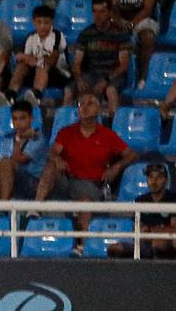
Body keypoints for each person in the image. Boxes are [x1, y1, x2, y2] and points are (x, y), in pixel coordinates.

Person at [37, 91, 134, 219]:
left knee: (85, 204)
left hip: (92, 185)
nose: (85, 107)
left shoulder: (107, 135)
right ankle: (36, 208)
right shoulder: (66, 132)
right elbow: (52, 152)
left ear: (99, 109)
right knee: (50, 166)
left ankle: (83, 238)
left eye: (90, 103)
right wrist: (57, 159)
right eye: (81, 104)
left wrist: (116, 167)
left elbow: (131, 155)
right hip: (69, 181)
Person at [103, 159, 176, 259]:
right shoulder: (140, 200)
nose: (154, 181)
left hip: (167, 244)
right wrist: (155, 230)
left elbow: (175, 229)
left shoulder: (174, 199)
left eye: (159, 177)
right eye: (150, 177)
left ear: (166, 180)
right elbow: (136, 230)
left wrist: (149, 230)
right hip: (144, 243)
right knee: (114, 248)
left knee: (158, 243)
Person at [70, 0, 133, 112]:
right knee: (69, 91)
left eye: (102, 12)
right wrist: (79, 79)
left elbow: (123, 65)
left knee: (111, 90)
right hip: (92, 74)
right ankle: (66, 124)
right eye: (94, 12)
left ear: (109, 13)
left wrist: (107, 79)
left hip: (113, 75)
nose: (97, 16)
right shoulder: (86, 34)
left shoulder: (120, 34)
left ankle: (113, 125)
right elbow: (77, 63)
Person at [8, 3, 70, 104]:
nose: (43, 26)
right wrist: (27, 58)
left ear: (52, 23)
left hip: (58, 75)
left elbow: (52, 60)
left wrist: (34, 59)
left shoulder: (58, 36)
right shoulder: (31, 37)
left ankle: (36, 95)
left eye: (46, 23)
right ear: (34, 22)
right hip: (36, 73)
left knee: (43, 65)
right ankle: (10, 95)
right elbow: (22, 58)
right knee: (22, 66)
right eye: (39, 22)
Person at [0, 100, 49, 201]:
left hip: (32, 184)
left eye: (22, 118)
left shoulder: (39, 139)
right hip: (9, 181)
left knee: (6, 162)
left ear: (31, 119)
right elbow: (1, 165)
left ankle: (1, 207)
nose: (18, 123)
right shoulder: (7, 138)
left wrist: (18, 139)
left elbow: (19, 159)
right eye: (15, 119)